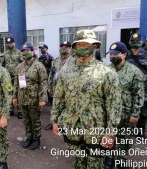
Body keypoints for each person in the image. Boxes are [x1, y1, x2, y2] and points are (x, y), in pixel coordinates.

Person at [51, 29, 122, 168]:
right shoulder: (66, 72)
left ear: (95, 46)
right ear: (75, 47)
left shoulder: (106, 73)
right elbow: (59, 97)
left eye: (87, 44)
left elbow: (114, 105)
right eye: (80, 44)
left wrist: (110, 132)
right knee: (77, 162)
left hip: (96, 130)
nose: (83, 47)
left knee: (95, 164)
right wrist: (55, 120)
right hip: (72, 127)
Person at [104, 42, 144, 169]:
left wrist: (135, 113)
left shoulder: (134, 71)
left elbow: (139, 93)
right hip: (109, 114)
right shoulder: (106, 70)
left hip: (126, 115)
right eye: (110, 54)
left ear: (124, 54)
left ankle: (121, 161)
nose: (112, 56)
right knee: (109, 138)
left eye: (115, 54)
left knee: (124, 140)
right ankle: (109, 159)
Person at [13, 42, 48, 150]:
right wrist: (14, 97)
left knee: (35, 120)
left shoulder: (39, 66)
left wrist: (42, 99)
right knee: (26, 120)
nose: (25, 53)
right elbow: (16, 82)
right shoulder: (19, 66)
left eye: (27, 51)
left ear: (32, 52)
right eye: (23, 51)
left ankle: (36, 139)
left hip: (34, 99)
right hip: (22, 98)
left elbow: (43, 83)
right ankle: (29, 137)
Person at [126, 33, 147, 135]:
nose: (135, 43)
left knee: (143, 109)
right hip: (129, 87)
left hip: (143, 87)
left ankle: (140, 130)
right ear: (130, 42)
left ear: (141, 42)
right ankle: (128, 129)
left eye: (137, 41)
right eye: (133, 41)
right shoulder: (126, 54)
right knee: (128, 107)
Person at [44, 41, 71, 131]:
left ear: (70, 48)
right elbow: (51, 74)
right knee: (55, 106)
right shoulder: (56, 60)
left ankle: (64, 124)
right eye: (62, 46)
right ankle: (54, 122)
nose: (64, 48)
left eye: (66, 47)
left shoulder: (73, 61)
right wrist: (49, 86)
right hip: (55, 88)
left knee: (66, 107)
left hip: (67, 90)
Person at [1, 37, 23, 119]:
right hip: (8, 78)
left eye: (11, 43)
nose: (9, 44)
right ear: (6, 44)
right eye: (8, 43)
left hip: (18, 77)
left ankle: (20, 111)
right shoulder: (5, 53)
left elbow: (23, 64)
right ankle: (10, 109)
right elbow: (2, 65)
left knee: (19, 93)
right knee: (9, 92)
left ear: (14, 43)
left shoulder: (19, 53)